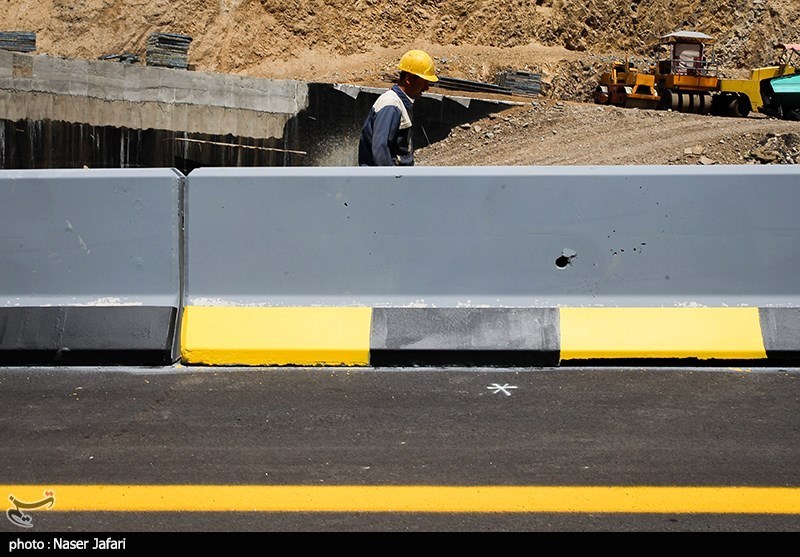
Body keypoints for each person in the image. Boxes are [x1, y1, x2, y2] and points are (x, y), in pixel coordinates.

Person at [358, 49, 438, 166]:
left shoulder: (400, 103)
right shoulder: (391, 105)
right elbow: (380, 148)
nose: (427, 88)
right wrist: (391, 181)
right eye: (424, 82)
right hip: (387, 181)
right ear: (409, 79)